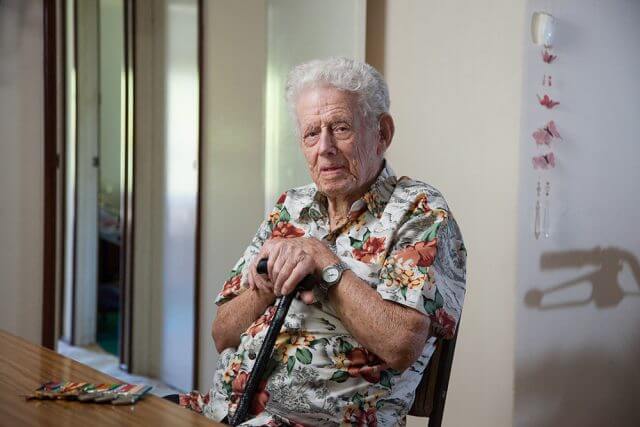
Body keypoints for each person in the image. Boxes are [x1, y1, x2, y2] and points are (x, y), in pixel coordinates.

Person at [179, 57, 467, 426]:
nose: (324, 147)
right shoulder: (290, 206)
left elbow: (400, 345)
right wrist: (267, 284)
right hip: (223, 411)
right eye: (311, 133)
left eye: (341, 128)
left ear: (382, 133)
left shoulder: (421, 212)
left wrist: (322, 259)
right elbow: (222, 333)